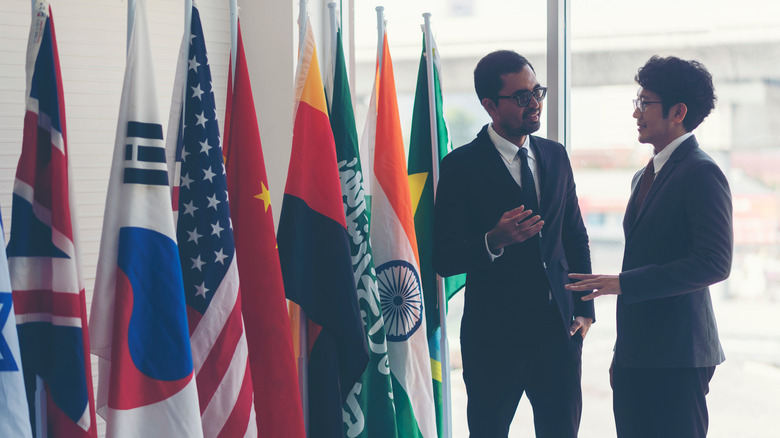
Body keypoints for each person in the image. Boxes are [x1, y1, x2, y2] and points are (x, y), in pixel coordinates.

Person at [566, 55, 732, 438]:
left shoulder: (702, 172)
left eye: (645, 103)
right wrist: (623, 353)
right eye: (636, 102)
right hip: (636, 356)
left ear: (678, 112)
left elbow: (714, 263)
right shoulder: (645, 174)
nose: (636, 113)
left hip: (678, 357)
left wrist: (624, 282)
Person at [433, 49, 594, 437]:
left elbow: (574, 234)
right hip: (493, 341)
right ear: (489, 105)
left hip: (559, 335)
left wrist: (585, 310)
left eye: (537, 91)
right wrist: (493, 240)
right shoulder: (460, 167)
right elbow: (443, 257)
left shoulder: (555, 156)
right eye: (521, 97)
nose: (535, 103)